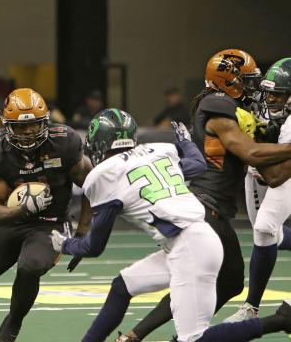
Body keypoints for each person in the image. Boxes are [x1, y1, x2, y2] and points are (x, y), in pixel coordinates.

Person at [52, 108, 291, 342]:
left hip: (190, 248)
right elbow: (197, 165)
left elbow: (95, 246)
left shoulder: (103, 175)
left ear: (97, 143)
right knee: (122, 286)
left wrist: (66, 245)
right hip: (189, 241)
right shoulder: (156, 151)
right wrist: (186, 141)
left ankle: (280, 321)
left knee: (193, 339)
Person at [118, 48, 291, 342]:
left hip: (212, 209)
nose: (252, 88)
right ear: (228, 81)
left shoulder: (228, 108)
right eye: (247, 81)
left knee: (228, 281)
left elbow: (273, 175)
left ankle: (142, 335)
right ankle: (154, 336)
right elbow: (250, 153)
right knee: (209, 280)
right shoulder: (216, 106)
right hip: (205, 207)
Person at [0, 88, 93, 342]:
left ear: (45, 122)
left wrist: (84, 231)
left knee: (30, 267)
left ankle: (11, 327)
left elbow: (93, 185)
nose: (28, 131)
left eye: (34, 125)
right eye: (20, 127)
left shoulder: (65, 142)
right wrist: (22, 209)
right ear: (6, 126)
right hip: (13, 220)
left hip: (50, 223)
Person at [224, 58, 291, 322]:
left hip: (281, 174)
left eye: (279, 94)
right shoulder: (260, 107)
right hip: (261, 172)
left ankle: (251, 307)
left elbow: (277, 177)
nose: (271, 99)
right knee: (265, 235)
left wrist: (252, 149)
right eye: (269, 92)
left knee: (264, 229)